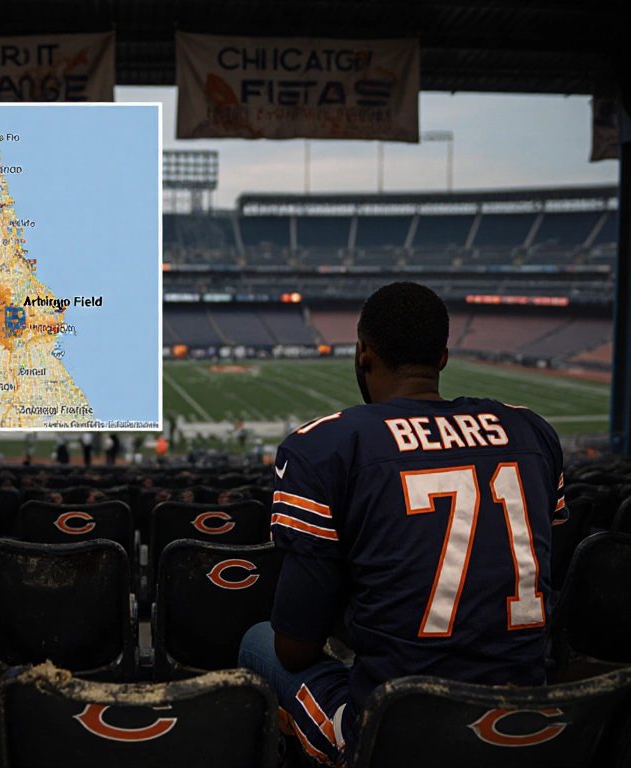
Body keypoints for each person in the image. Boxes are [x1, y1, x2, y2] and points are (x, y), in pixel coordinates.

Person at [239, 282, 566, 766]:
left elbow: (295, 649)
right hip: (518, 715)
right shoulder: (532, 431)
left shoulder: (325, 447)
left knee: (259, 641)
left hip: (393, 731)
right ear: (444, 356)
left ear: (363, 353)